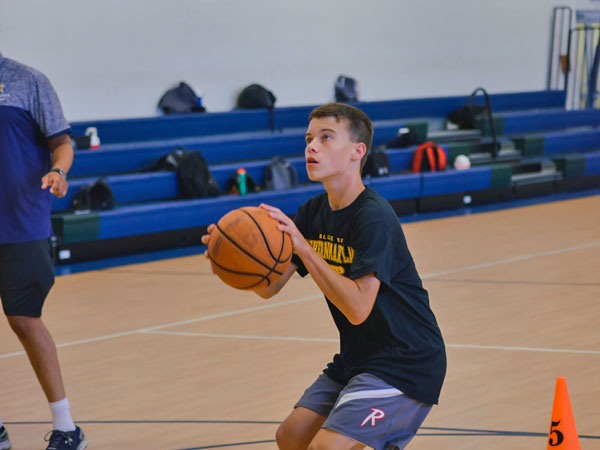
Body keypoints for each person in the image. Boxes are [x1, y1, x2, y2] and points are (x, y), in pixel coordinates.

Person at [202, 102, 446, 450]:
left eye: (326, 137)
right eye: (309, 138)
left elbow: (359, 307)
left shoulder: (373, 217)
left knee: (326, 448)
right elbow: (270, 288)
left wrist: (305, 249)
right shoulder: (313, 212)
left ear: (357, 151)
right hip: (358, 358)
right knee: (290, 437)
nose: (311, 146)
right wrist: (229, 259)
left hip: (406, 361)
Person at [0, 53, 87, 450]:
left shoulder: (28, 81)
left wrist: (60, 171)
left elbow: (63, 143)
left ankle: (67, 427)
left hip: (20, 222)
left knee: (25, 321)